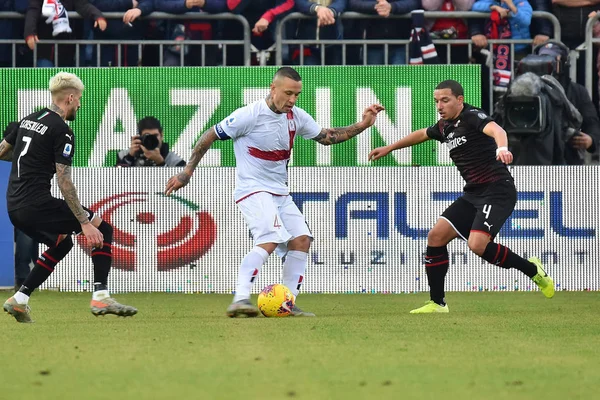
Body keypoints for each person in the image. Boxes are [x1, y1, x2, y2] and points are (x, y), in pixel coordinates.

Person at [165, 66, 384, 317]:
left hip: (280, 192)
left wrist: (364, 124)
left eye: (297, 95)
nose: (292, 100)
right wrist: (187, 172)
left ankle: (286, 303)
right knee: (270, 239)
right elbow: (210, 135)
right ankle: (240, 298)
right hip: (252, 189)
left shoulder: (297, 116)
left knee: (301, 240)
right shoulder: (249, 115)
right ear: (273, 88)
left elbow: (328, 136)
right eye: (288, 93)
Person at [369, 80, 555, 314]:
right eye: (436, 101)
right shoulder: (445, 126)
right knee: (436, 237)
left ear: (459, 100)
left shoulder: (472, 116)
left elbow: (497, 130)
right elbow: (422, 134)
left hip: (497, 190)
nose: (439, 105)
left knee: (477, 245)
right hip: (473, 193)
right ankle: (438, 303)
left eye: (444, 100)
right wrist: (389, 148)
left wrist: (502, 148)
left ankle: (533, 271)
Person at [0, 72, 137, 323]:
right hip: (37, 203)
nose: (80, 105)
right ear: (70, 98)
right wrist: (84, 222)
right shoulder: (62, 130)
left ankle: (20, 299)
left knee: (63, 243)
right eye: (79, 99)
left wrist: (17, 143)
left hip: (14, 207)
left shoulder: (27, 120)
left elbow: (2, 153)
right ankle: (101, 296)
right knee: (102, 228)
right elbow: (64, 180)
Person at [116, 116, 186, 167]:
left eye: (155, 135)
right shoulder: (124, 155)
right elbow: (116, 181)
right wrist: (129, 157)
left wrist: (161, 163)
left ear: (161, 135)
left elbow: (180, 185)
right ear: (140, 137)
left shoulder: (175, 161)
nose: (152, 139)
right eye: (147, 136)